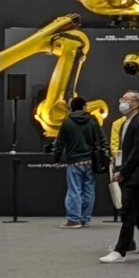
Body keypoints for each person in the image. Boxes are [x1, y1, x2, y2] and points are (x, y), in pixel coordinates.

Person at [101, 91, 139, 263]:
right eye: (122, 99)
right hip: (129, 173)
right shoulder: (124, 123)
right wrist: (120, 169)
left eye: (128, 99)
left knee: (129, 212)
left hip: (138, 174)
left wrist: (124, 171)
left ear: (137, 103)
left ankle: (120, 250)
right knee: (135, 213)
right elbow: (123, 151)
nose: (123, 102)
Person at [53, 96, 107, 229]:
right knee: (89, 189)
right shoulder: (93, 120)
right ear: (84, 107)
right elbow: (102, 139)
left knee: (74, 190)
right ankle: (85, 218)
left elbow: (60, 143)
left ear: (71, 108)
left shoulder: (67, 122)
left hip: (74, 162)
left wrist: (57, 159)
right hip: (90, 161)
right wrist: (106, 154)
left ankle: (73, 219)